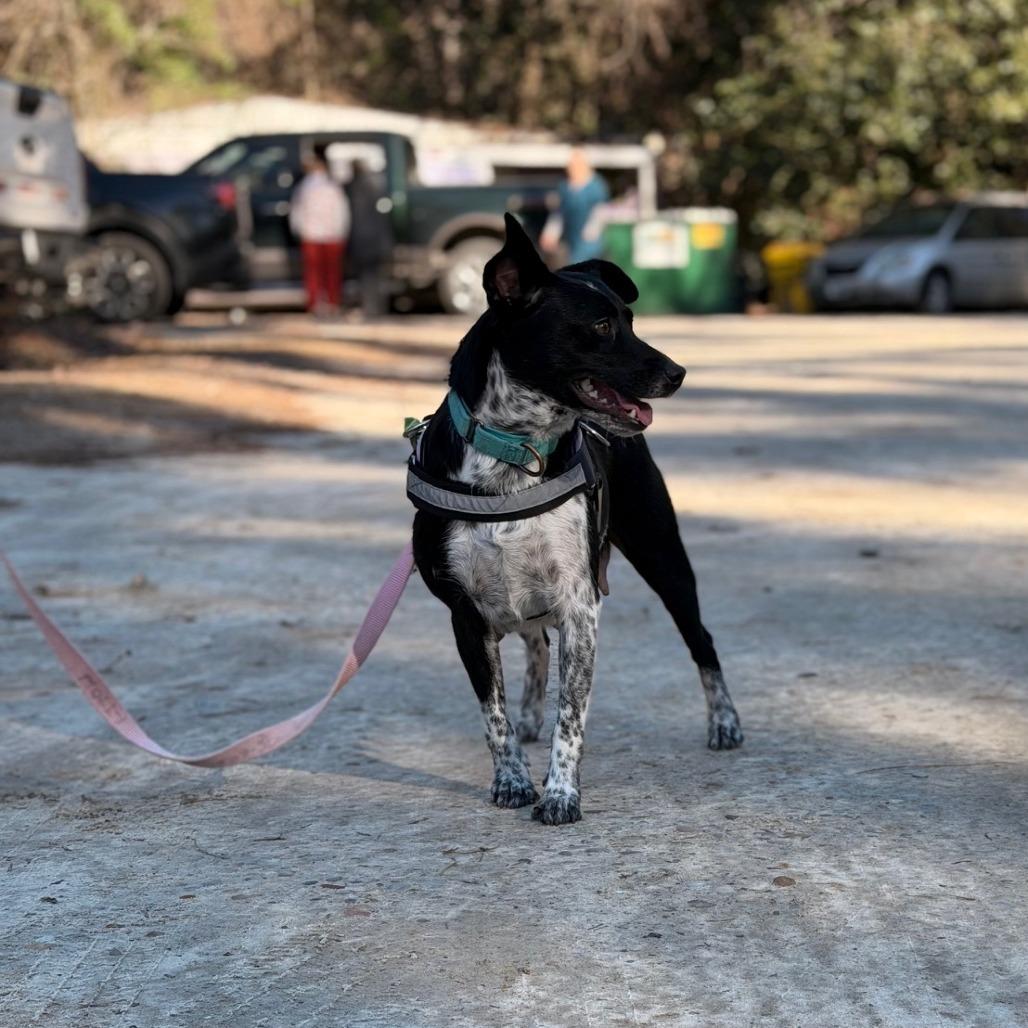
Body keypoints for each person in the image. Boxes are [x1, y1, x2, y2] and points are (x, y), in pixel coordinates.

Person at [289, 143, 350, 314]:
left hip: (311, 235)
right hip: (331, 235)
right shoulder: (333, 187)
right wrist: (341, 231)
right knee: (331, 272)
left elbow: (297, 212)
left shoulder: (304, 188)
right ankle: (332, 302)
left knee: (313, 273)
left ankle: (315, 302)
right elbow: (341, 212)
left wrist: (299, 230)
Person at [541, 147, 610, 264]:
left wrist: (591, 232)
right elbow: (559, 213)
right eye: (571, 164)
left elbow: (600, 212)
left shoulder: (597, 186)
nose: (573, 168)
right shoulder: (564, 187)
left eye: (577, 164)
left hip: (590, 242)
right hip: (571, 240)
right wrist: (550, 233)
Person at [346, 159, 393, 319]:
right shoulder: (376, 185)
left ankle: (371, 309)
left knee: (367, 277)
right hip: (377, 238)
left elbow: (358, 217)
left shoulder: (356, 188)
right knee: (376, 275)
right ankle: (378, 308)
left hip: (364, 239)